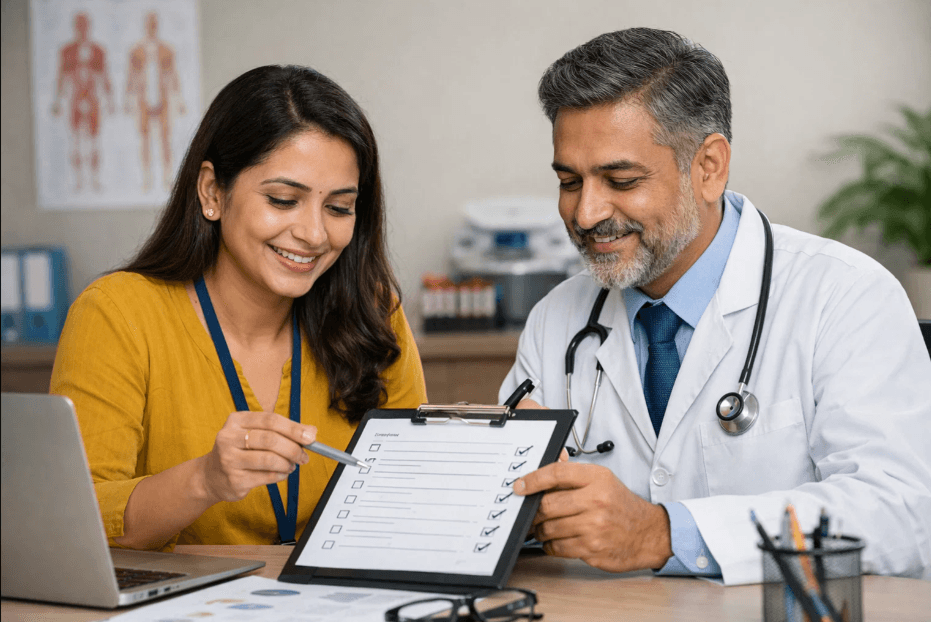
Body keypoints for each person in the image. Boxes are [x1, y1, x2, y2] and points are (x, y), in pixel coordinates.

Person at [499, 28, 931, 585]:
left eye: (621, 180)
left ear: (708, 167)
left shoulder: (845, 296)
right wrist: (500, 488)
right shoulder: (556, 320)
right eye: (568, 181)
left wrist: (661, 533)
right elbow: (520, 523)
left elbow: (903, 513)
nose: (585, 213)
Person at [50, 65, 427, 550]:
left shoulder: (374, 314)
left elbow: (411, 501)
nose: (314, 234)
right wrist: (204, 481)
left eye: (338, 208)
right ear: (212, 192)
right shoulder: (117, 314)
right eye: (283, 199)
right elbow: (76, 532)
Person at [51, 11, 115, 192]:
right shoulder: (67, 51)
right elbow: (61, 78)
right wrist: (57, 101)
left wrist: (109, 101)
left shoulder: (97, 50)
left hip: (93, 99)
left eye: (85, 26)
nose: (82, 30)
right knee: (76, 141)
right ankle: (78, 180)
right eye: (79, 26)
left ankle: (95, 179)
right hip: (75, 99)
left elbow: (104, 77)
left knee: (94, 141)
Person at [124, 11, 186, 193]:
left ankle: (167, 177)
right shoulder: (136, 51)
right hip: (144, 100)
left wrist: (179, 100)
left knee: (164, 139)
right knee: (145, 139)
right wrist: (129, 100)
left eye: (154, 23)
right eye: (149, 23)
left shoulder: (166, 50)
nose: (152, 27)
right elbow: (132, 77)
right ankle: (147, 177)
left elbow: (173, 75)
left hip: (162, 99)